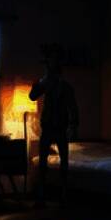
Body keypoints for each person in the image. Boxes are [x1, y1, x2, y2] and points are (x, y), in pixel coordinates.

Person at [29, 45, 79, 208]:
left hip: (59, 127)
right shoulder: (46, 83)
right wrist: (40, 82)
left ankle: (62, 195)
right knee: (44, 163)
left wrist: (73, 126)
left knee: (63, 162)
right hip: (49, 127)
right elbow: (32, 96)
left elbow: (73, 107)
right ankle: (43, 196)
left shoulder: (64, 86)